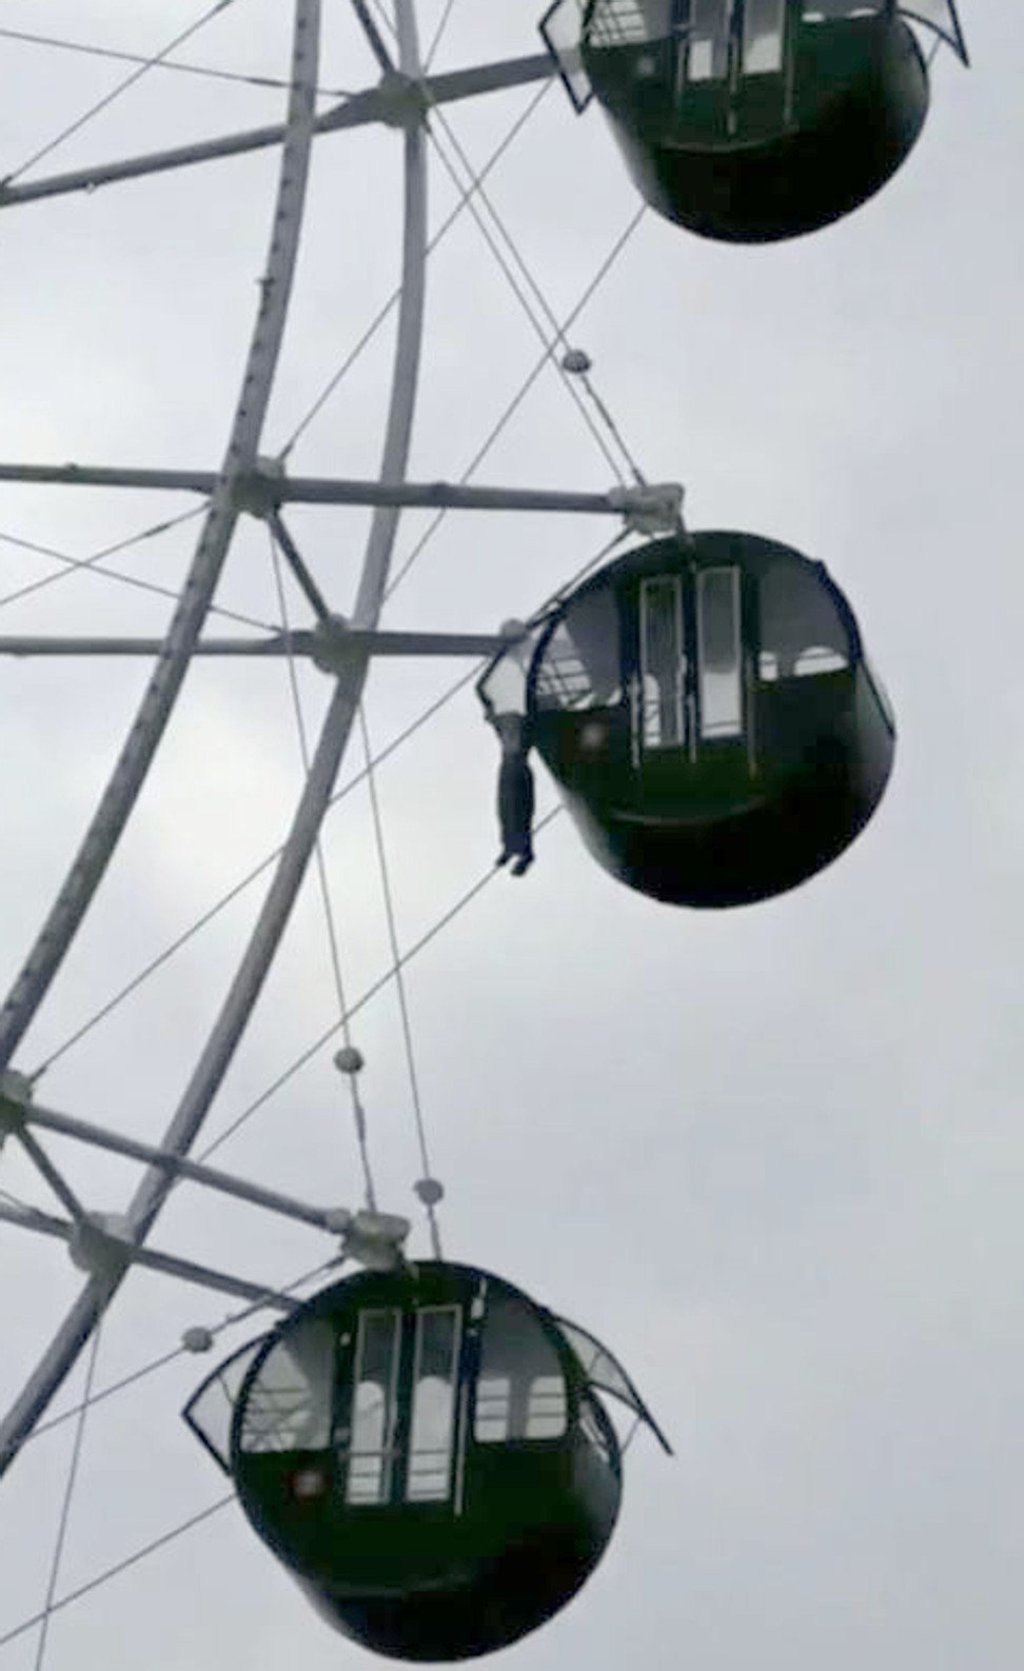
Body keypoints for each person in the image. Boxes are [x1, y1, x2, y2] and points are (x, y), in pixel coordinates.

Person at [492, 711, 535, 877]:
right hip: (508, 765)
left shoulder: (523, 723)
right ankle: (509, 846)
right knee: (505, 809)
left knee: (519, 809)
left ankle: (524, 852)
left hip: (517, 765)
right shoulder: (503, 721)